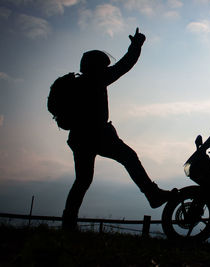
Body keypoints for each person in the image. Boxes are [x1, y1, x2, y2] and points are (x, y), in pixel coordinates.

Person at [62, 28, 172, 230]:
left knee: (83, 180)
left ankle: (68, 222)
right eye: (103, 66)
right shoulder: (97, 80)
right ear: (96, 67)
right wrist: (136, 46)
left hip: (78, 137)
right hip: (97, 135)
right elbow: (124, 65)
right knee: (129, 157)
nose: (106, 68)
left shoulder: (78, 83)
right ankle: (153, 194)